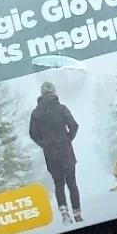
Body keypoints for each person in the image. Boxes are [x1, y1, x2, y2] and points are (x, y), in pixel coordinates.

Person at [29, 77, 82, 224]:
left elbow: (33, 134)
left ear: (41, 94)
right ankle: (77, 212)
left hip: (50, 154)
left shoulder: (36, 113)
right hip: (66, 151)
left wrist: (44, 144)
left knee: (58, 183)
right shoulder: (61, 108)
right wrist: (68, 139)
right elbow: (74, 126)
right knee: (72, 183)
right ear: (53, 92)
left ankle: (64, 212)